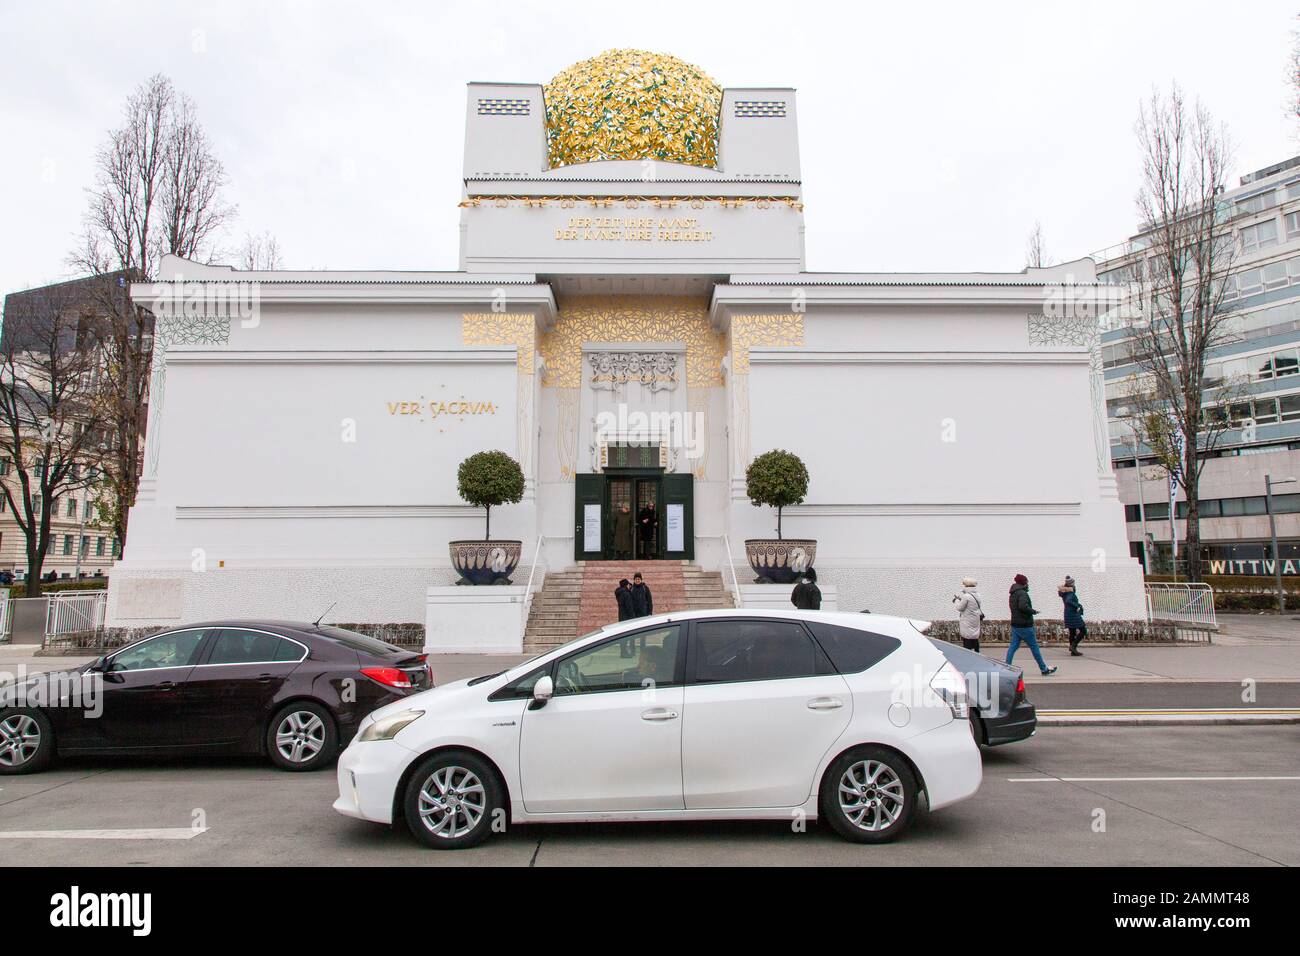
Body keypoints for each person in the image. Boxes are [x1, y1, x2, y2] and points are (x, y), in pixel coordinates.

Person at [1007, 573, 1057, 676]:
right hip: (1025, 625)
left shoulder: (1013, 593)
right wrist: (1033, 611)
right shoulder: (1022, 593)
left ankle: (1007, 667)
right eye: (1027, 582)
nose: (1028, 584)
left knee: (1013, 646)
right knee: (1034, 647)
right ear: (1024, 583)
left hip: (1015, 624)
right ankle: (1044, 669)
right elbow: (1022, 606)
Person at [952, 577, 983, 652]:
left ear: (966, 586)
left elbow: (960, 608)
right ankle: (977, 652)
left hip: (967, 620)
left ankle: (968, 654)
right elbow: (971, 605)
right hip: (975, 619)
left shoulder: (966, 596)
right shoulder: (978, 595)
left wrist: (956, 601)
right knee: (974, 637)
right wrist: (961, 598)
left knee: (967, 638)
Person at [1059, 575, 1086, 656]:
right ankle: (1073, 646)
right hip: (1073, 614)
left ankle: (1073, 651)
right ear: (1071, 584)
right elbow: (1068, 601)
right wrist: (1077, 605)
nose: (1074, 584)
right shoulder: (1070, 592)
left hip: (1067, 613)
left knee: (1072, 632)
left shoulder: (1065, 591)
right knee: (1083, 630)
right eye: (1073, 583)